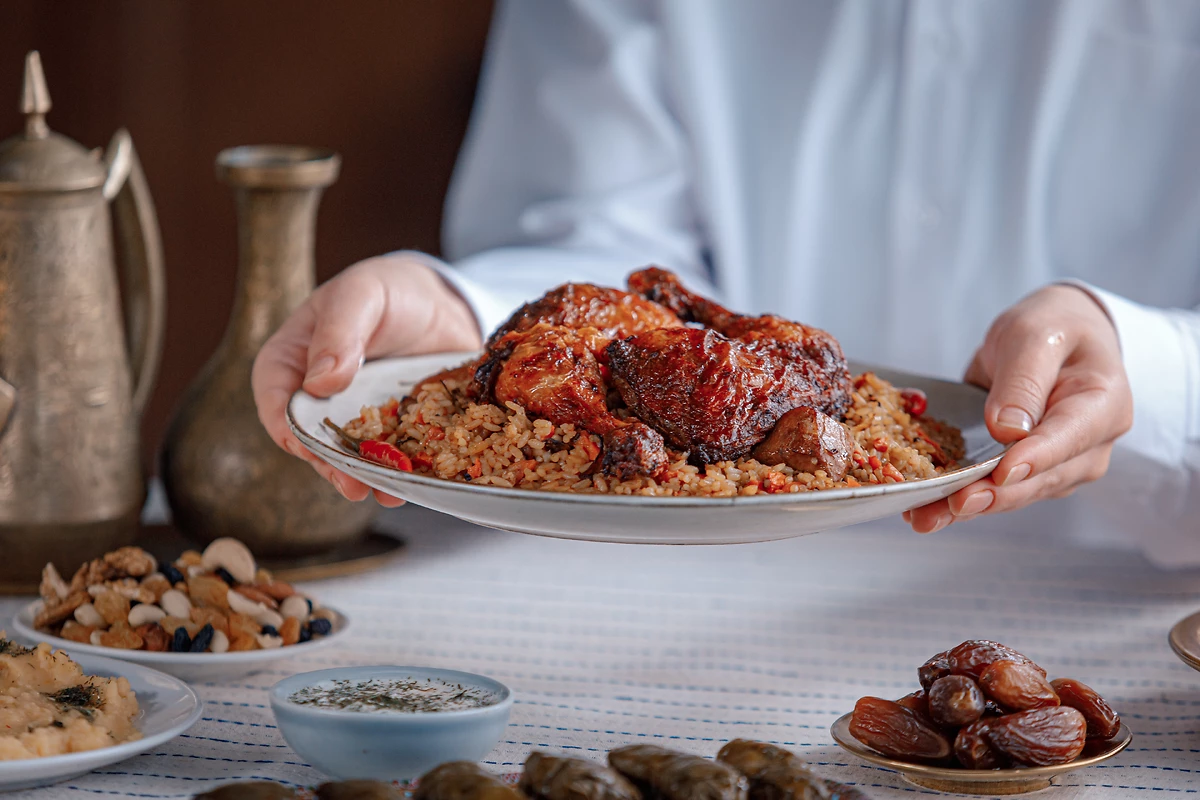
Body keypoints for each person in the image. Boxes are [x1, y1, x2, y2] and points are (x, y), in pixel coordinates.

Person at [252, 1, 1199, 565]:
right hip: (641, 579)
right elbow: (596, 227)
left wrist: (1141, 365)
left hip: (1105, 582)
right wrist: (461, 316)